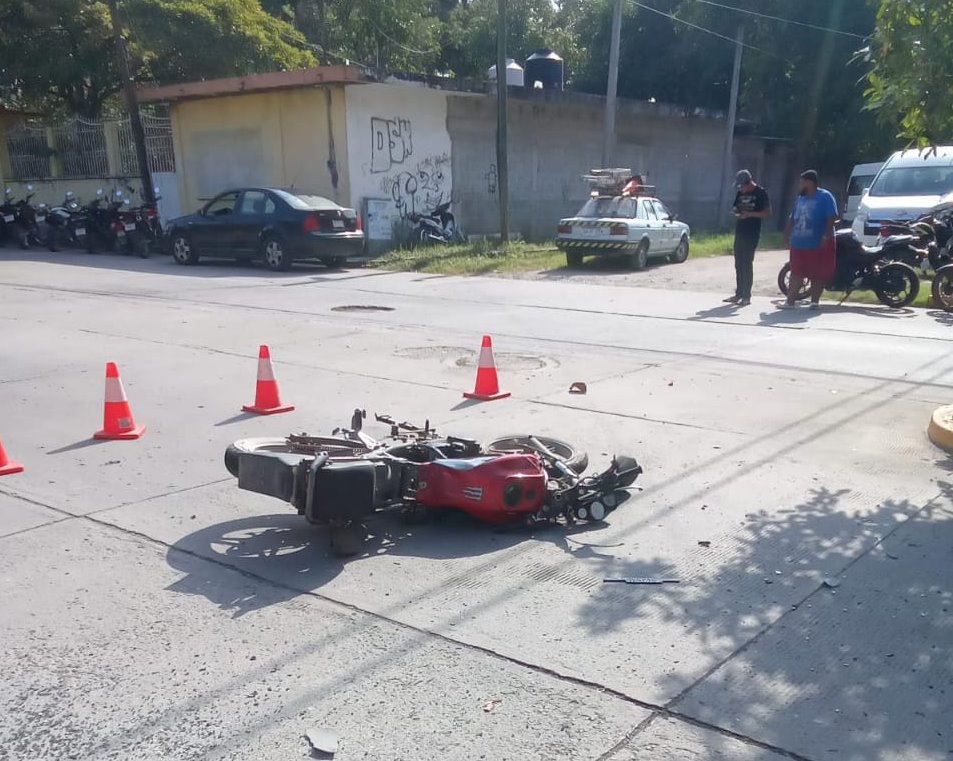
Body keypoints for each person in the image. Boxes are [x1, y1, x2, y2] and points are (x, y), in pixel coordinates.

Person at [782, 170, 838, 310]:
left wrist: (826, 236)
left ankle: (814, 302)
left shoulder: (825, 197)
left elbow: (831, 217)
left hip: (817, 242)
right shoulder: (800, 199)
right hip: (799, 243)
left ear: (810, 182)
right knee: (796, 272)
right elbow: (792, 218)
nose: (799, 185)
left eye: (801, 182)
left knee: (817, 273)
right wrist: (786, 234)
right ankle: (790, 302)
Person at [724, 169, 772, 306]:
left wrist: (750, 215)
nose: (741, 189)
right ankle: (738, 293)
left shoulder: (760, 193)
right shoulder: (740, 193)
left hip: (752, 233)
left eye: (742, 186)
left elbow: (768, 213)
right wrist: (736, 212)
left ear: (749, 183)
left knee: (747, 263)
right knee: (738, 263)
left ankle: (746, 296)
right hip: (740, 232)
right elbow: (735, 207)